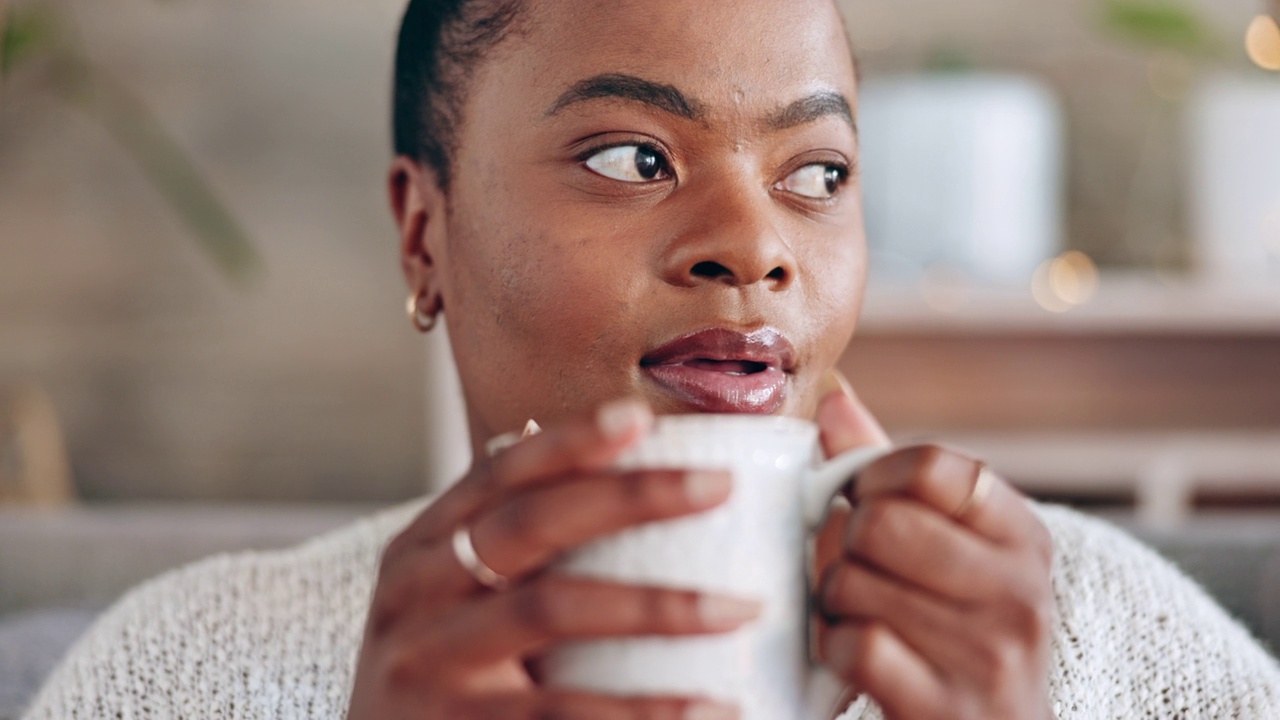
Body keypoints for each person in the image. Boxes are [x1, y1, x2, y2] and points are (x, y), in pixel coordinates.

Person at [21, 1, 1280, 718]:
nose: (754, 246)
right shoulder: (183, 668)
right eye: (631, 158)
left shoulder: (1098, 636)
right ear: (424, 233)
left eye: (817, 175)